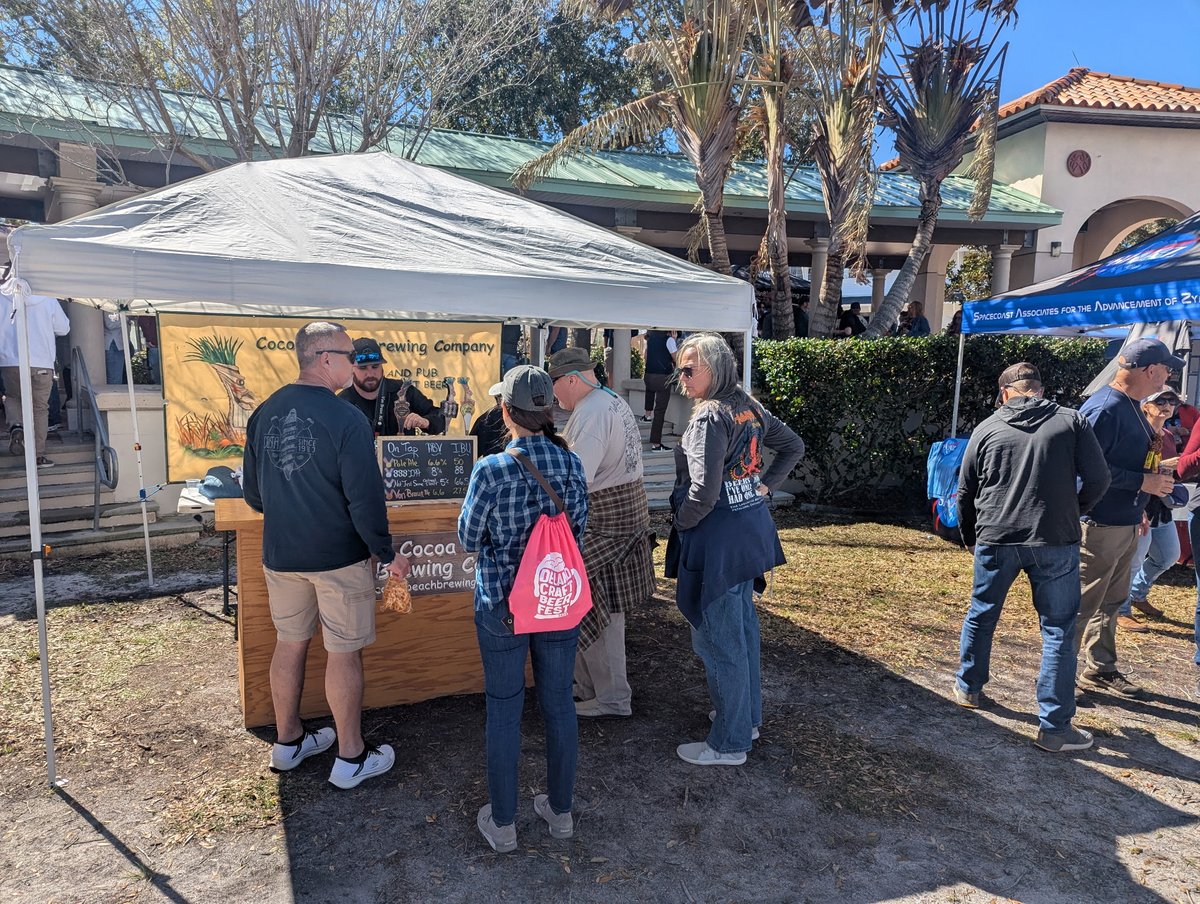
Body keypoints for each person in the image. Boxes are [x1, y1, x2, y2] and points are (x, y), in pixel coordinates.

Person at [242, 321, 410, 789]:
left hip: (281, 555)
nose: (356, 363)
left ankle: (288, 742)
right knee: (343, 652)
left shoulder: (264, 412)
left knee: (289, 642)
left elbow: (254, 496)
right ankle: (351, 757)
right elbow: (365, 500)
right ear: (325, 358)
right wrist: (386, 553)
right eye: (351, 355)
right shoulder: (346, 418)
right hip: (339, 558)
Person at [458, 365, 589, 852]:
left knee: (504, 708)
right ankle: (561, 813)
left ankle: (505, 823)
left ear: (505, 411)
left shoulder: (491, 469)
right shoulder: (570, 462)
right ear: (549, 410)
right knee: (559, 704)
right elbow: (579, 527)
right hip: (556, 602)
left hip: (502, 604)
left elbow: (468, 538)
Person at [954, 363, 1110, 753]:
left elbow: (965, 489)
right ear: (1039, 390)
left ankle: (969, 688)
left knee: (982, 612)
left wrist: (970, 537)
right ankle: (1054, 728)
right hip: (1054, 539)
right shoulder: (1071, 421)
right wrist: (1074, 510)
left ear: (1005, 393)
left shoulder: (987, 427)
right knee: (1058, 630)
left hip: (997, 535)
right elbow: (1099, 478)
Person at [668, 333, 805, 766]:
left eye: (689, 368)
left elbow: (703, 492)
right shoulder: (747, 405)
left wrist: (680, 522)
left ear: (715, 367)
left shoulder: (710, 416)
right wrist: (763, 487)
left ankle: (729, 742)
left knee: (718, 641)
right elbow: (793, 445)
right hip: (750, 534)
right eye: (679, 368)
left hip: (719, 542)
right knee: (742, 632)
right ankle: (745, 719)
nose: (681, 376)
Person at [548, 347, 656, 719]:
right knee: (595, 604)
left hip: (605, 522)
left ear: (571, 379)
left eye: (554, 383)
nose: (553, 393)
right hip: (623, 517)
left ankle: (611, 698)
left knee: (594, 606)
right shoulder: (611, 399)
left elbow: (578, 480)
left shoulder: (592, 412)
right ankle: (591, 689)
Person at [1076, 337, 1182, 700]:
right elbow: (1085, 470)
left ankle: (1100, 668)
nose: (1168, 377)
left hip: (1123, 520)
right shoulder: (1106, 408)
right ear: (1150, 370)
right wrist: (1142, 483)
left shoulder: (1129, 405)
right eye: (1166, 369)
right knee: (1082, 604)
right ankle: (1059, 679)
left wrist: (1141, 503)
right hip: (1099, 524)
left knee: (1111, 600)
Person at [1118, 389, 1186, 632]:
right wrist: (1164, 465)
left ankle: (1137, 593)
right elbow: (1129, 468)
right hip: (1138, 503)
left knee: (1169, 555)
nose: (1167, 405)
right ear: (1145, 406)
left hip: (1160, 505)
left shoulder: (1167, 435)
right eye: (1160, 400)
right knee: (1134, 560)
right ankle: (1121, 610)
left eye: (1172, 401)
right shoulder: (1135, 433)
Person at [0, 287, 70, 468]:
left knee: (13, 397)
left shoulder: (3, 295)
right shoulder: (48, 297)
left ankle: (16, 426)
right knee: (40, 408)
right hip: (42, 361)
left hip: (11, 360)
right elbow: (64, 328)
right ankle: (38, 455)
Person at [337, 337, 444, 436]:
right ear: (351, 369)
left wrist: (426, 422)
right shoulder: (342, 403)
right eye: (363, 368)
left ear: (382, 367)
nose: (370, 373)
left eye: (375, 366)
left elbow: (440, 417)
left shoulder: (403, 390)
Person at [641, 329, 678, 450]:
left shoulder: (650, 339)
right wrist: (674, 340)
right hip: (663, 378)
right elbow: (676, 358)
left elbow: (645, 356)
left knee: (650, 390)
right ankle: (656, 444)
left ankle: (647, 415)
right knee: (660, 412)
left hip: (648, 375)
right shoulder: (669, 340)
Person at [468, 381, 508, 457]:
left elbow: (472, 448)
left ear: (497, 398)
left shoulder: (485, 417)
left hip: (492, 461)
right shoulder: (520, 415)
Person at [103, 312, 127, 384]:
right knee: (114, 377)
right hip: (113, 343)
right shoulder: (108, 308)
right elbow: (109, 324)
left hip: (120, 343)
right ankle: (114, 390)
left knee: (117, 376)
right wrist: (126, 319)